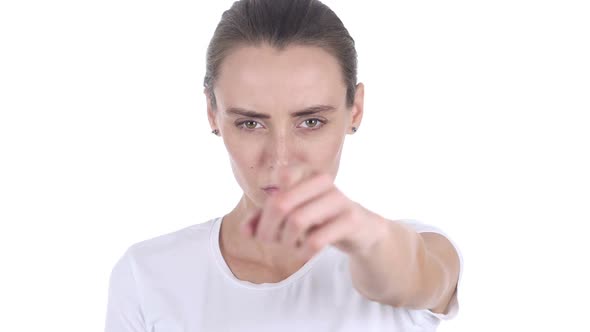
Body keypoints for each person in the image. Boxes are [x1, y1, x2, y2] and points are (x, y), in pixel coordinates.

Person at [104, 0, 463, 331]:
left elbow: (409, 277)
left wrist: (368, 237)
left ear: (355, 109)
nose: (280, 159)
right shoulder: (147, 276)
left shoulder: (425, 248)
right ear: (213, 113)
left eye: (311, 122)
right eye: (250, 123)